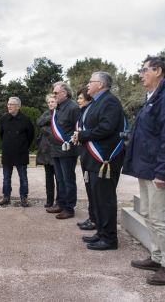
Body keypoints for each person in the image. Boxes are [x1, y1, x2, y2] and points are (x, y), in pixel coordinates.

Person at [122, 56, 165, 286]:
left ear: (158, 71)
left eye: (144, 70)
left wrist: (164, 171)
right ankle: (157, 258)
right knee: (148, 214)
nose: (140, 74)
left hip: (158, 169)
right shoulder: (153, 97)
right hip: (146, 168)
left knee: (159, 218)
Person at [71, 72, 127, 250]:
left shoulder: (110, 101)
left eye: (90, 81)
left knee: (106, 199)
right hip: (94, 159)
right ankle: (101, 232)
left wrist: (83, 135)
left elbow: (106, 128)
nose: (88, 85)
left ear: (101, 84)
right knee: (97, 198)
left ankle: (110, 238)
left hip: (105, 159)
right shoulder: (97, 102)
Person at [46, 82, 80, 219]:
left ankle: (69, 208)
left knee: (68, 180)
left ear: (64, 93)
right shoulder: (58, 108)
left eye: (56, 93)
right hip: (56, 149)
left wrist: (70, 142)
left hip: (67, 150)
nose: (54, 95)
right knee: (59, 179)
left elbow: (78, 128)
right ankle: (61, 203)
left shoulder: (73, 108)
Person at [0, 97, 35, 207]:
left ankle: (23, 197)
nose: (9, 106)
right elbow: (1, 134)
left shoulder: (26, 119)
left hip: (21, 152)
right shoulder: (3, 119)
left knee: (23, 177)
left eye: (12, 104)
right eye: (8, 104)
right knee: (6, 177)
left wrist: (23, 146)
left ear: (18, 106)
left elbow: (31, 135)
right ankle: (6, 196)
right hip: (8, 152)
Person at [75, 87, 95, 231]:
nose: (78, 101)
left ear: (88, 99)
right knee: (89, 188)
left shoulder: (91, 111)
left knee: (95, 190)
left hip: (94, 154)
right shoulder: (82, 112)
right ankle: (92, 217)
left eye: (81, 98)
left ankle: (95, 219)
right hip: (85, 153)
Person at [36, 94, 58, 208]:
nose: (50, 104)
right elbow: (39, 122)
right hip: (46, 151)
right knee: (48, 177)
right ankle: (49, 200)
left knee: (59, 178)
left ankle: (59, 201)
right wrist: (49, 118)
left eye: (52, 101)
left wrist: (46, 128)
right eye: (49, 102)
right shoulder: (47, 114)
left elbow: (53, 131)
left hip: (56, 150)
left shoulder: (60, 113)